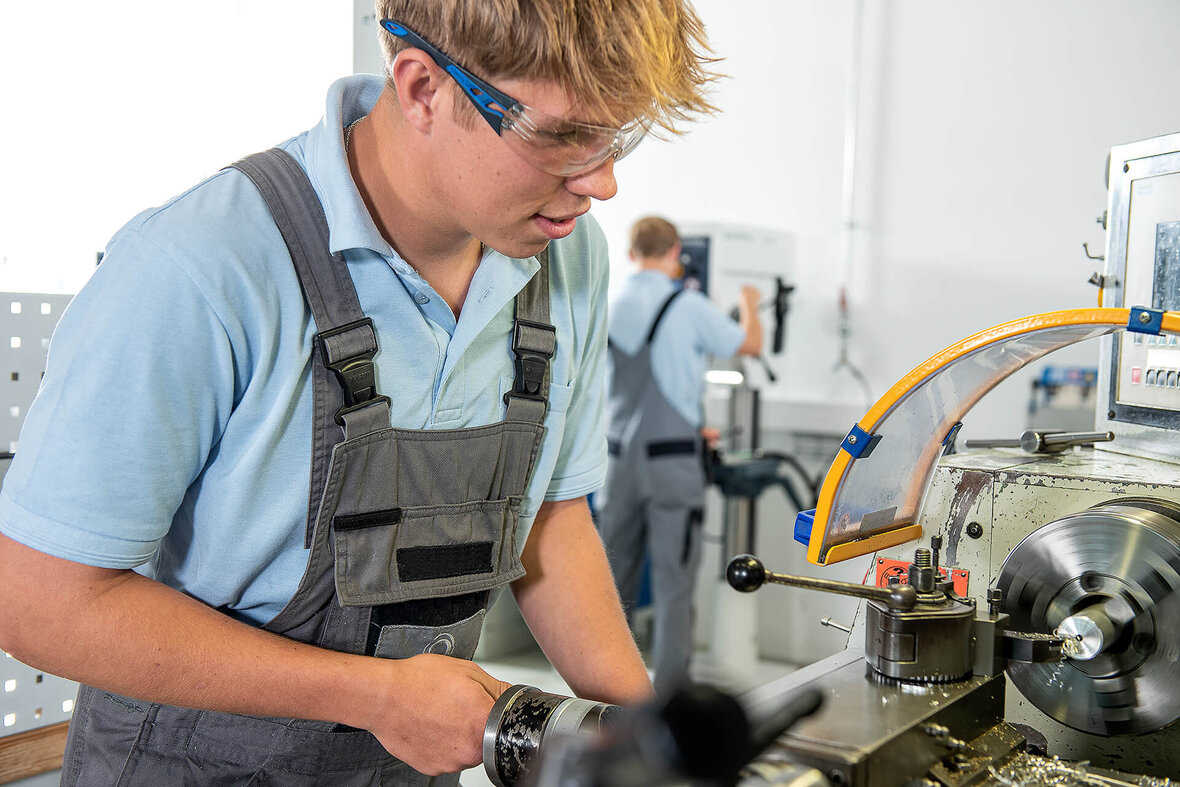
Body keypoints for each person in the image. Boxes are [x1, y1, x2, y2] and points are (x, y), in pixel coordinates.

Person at [0, 3, 720, 784]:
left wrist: (654, 745)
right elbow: (39, 600)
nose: (604, 181)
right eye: (562, 137)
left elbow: (547, 519)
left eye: (618, 137)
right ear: (421, 89)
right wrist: (376, 696)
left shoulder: (566, 261)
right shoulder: (202, 265)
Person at [596, 216, 762, 693]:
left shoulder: (613, 301)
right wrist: (750, 305)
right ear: (675, 253)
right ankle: (669, 700)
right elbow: (749, 344)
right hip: (672, 464)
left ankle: (608, 693)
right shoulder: (689, 305)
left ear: (631, 254)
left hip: (618, 462)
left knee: (610, 585)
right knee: (673, 584)